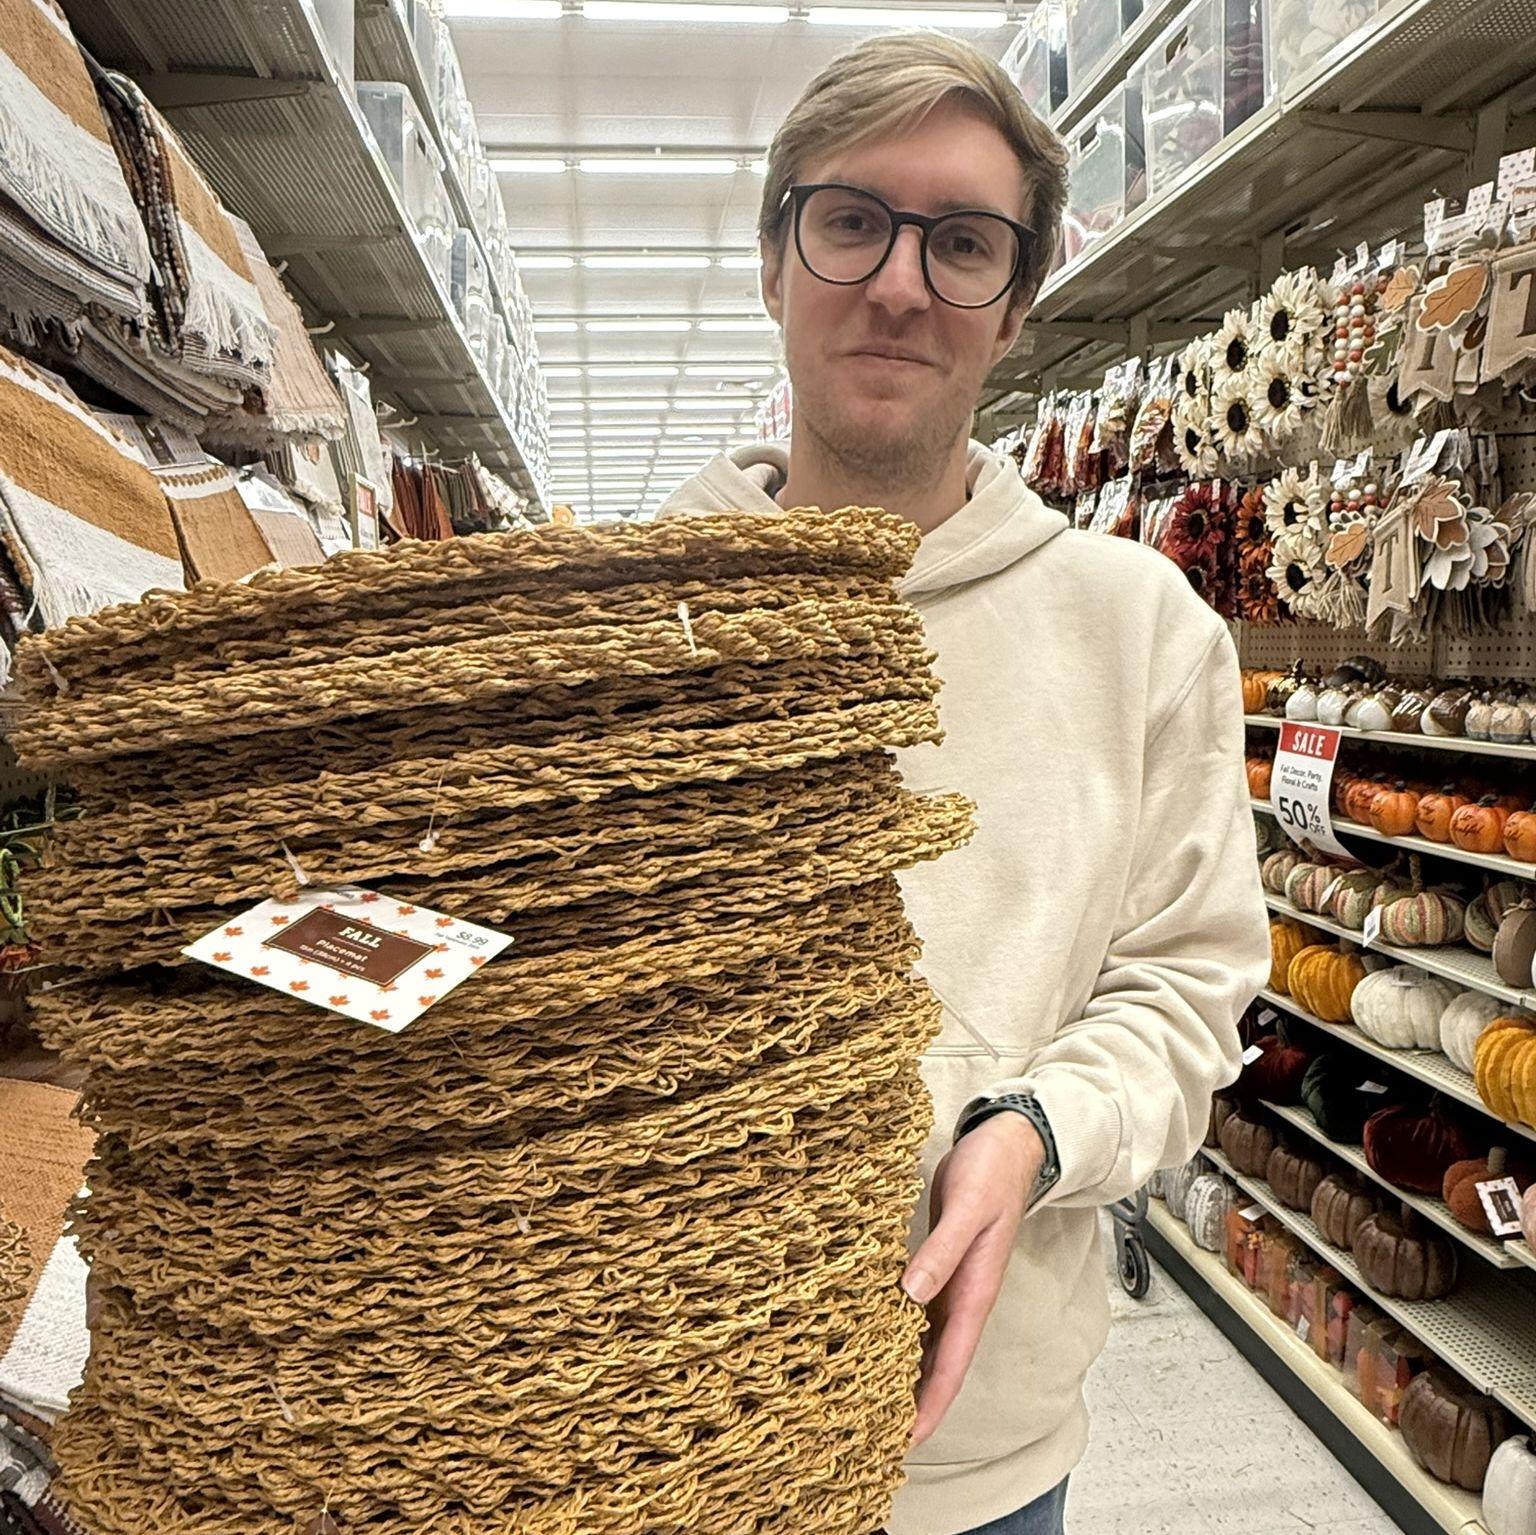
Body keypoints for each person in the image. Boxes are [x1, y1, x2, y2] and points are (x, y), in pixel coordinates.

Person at [660, 30, 1271, 1535]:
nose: (898, 283)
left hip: (970, 1462)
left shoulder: (1139, 634)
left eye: (962, 243)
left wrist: (1035, 1127)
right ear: (771, 258)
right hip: (634, 1423)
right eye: (852, 219)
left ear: (1015, 311)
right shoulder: (612, 620)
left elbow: (1187, 989)